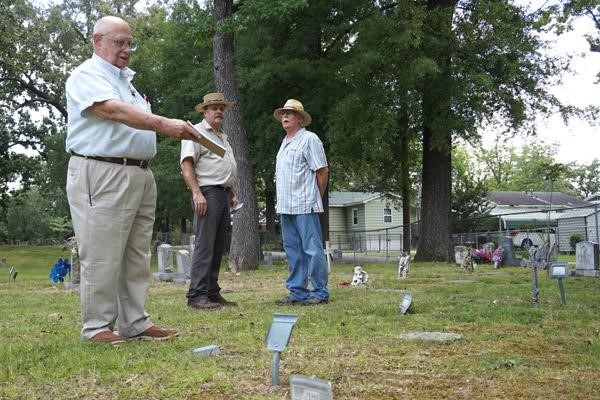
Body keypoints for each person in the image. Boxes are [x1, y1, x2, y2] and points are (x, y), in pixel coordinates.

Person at [65, 16, 203, 345]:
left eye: (130, 43)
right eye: (119, 42)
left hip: (139, 172)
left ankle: (135, 322)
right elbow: (114, 112)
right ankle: (97, 326)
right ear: (97, 41)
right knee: (101, 251)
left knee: (137, 253)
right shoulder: (86, 75)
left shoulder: (127, 82)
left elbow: (128, 112)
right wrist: (164, 124)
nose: (126, 49)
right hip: (101, 170)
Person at [180, 93, 240, 310]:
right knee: (205, 245)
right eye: (213, 107)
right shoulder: (195, 133)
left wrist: (232, 192)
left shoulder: (222, 136)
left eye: (221, 108)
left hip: (223, 194)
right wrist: (196, 193)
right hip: (207, 193)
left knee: (217, 246)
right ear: (204, 111)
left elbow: (223, 166)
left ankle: (212, 293)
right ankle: (196, 295)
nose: (218, 111)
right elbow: (187, 165)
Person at [273, 99, 329, 306]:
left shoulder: (309, 139)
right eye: (283, 114)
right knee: (293, 251)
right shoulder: (285, 141)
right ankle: (297, 291)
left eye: (290, 113)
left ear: (300, 119)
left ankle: (320, 291)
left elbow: (322, 171)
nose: (285, 117)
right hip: (286, 206)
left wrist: (316, 196)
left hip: (305, 204)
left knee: (312, 250)